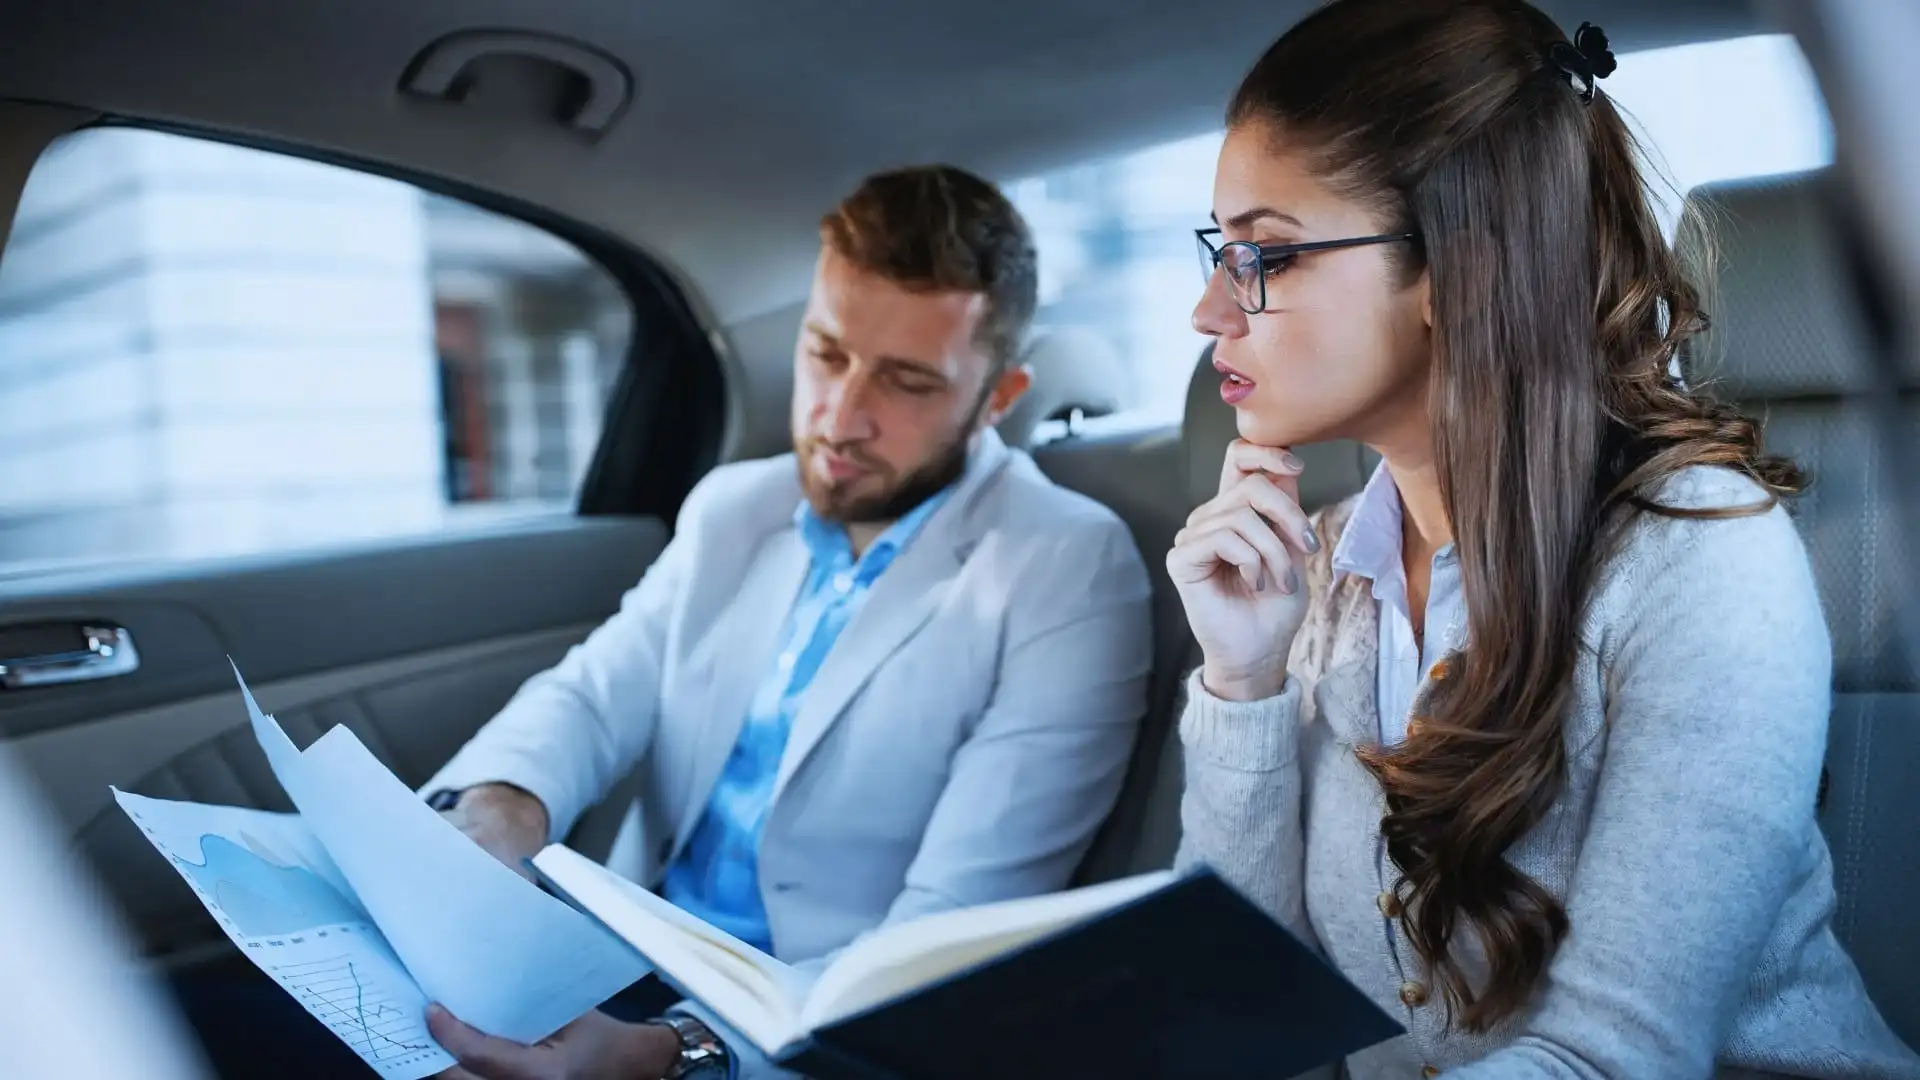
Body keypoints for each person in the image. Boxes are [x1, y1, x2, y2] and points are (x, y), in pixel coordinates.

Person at [1170, 1, 1920, 1078]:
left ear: (1451, 266)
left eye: (1266, 256)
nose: (1208, 311)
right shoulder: (1315, 575)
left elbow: (1618, 1058)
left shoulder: (1700, 559)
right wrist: (1242, 682)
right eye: (1220, 248)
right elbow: (1240, 1006)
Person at [420, 164, 1153, 1079]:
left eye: (907, 382)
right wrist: (505, 805)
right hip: (604, 962)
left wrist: (673, 1052)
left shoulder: (1067, 567)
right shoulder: (736, 507)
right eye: (827, 353)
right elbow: (592, 697)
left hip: (808, 1029)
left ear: (998, 396)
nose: (841, 418)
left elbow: (944, 935)